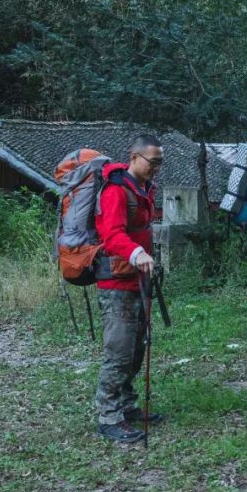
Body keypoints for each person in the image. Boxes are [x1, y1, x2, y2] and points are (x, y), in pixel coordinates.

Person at [94, 133, 164, 443]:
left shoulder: (144, 189)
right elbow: (111, 236)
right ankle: (108, 416)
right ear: (134, 157)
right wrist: (138, 253)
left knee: (137, 347)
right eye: (153, 162)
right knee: (119, 350)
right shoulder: (116, 192)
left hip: (139, 279)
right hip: (117, 283)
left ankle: (126, 404)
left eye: (160, 163)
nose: (156, 168)